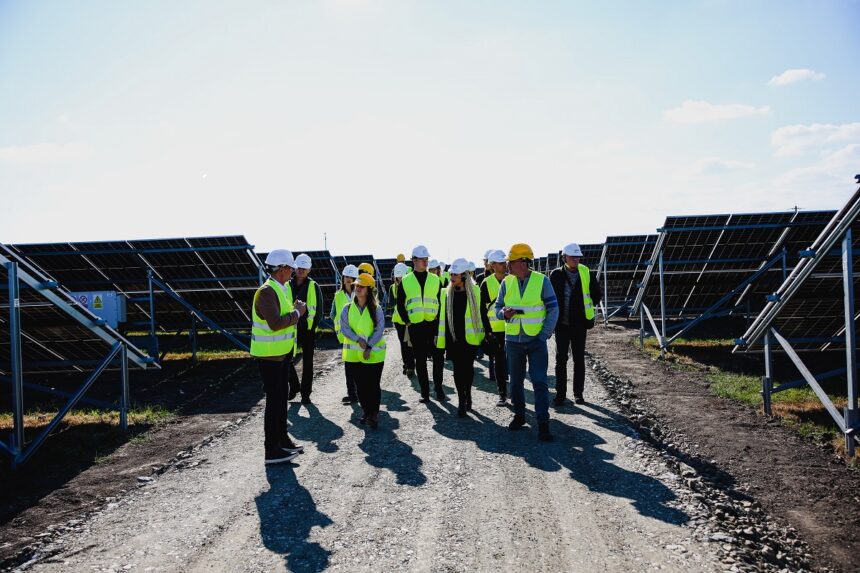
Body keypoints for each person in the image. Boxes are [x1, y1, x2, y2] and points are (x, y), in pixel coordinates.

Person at [495, 243, 559, 442]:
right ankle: (520, 416)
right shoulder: (507, 282)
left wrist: (544, 335)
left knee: (539, 382)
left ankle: (543, 423)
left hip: (536, 340)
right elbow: (497, 308)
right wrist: (503, 314)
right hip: (513, 340)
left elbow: (553, 309)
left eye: (510, 262)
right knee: (515, 382)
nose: (507, 265)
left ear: (522, 262)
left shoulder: (542, 281)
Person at [251, 249, 307, 464]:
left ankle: (282, 440)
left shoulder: (280, 289)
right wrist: (297, 313)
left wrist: (294, 312)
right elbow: (275, 323)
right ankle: (272, 450)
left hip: (281, 355)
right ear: (282, 268)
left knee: (281, 400)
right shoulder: (266, 291)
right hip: (269, 357)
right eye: (291, 268)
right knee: (274, 403)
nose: (293, 272)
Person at [549, 243, 601, 406]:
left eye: (578, 257)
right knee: (561, 359)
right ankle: (561, 394)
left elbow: (596, 295)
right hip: (561, 325)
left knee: (579, 359)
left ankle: (578, 394)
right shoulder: (555, 275)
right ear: (564, 258)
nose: (576, 259)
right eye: (572, 257)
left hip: (579, 324)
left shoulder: (586, 273)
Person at [436, 259, 484, 417]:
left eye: (455, 274)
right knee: (457, 370)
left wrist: (486, 334)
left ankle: (468, 394)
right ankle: (461, 400)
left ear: (464, 276)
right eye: (451, 273)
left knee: (468, 369)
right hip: (453, 337)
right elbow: (440, 316)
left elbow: (482, 313)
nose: (452, 276)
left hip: (469, 338)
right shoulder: (446, 293)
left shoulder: (475, 291)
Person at [397, 245, 444, 403]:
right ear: (414, 260)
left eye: (426, 259)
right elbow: (400, 304)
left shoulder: (436, 279)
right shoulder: (406, 280)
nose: (425, 262)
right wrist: (408, 322)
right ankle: (425, 393)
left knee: (438, 359)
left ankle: (438, 389)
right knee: (421, 361)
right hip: (416, 326)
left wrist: (439, 322)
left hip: (433, 324)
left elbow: (441, 302)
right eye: (422, 259)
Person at [340, 273, 386, 428]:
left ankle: (374, 414)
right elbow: (344, 328)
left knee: (373, 385)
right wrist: (357, 339)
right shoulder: (347, 308)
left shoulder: (376, 309)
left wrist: (369, 346)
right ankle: (366, 411)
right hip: (354, 355)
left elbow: (379, 329)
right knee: (360, 386)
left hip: (374, 354)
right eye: (356, 286)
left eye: (361, 286)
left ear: (369, 289)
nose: (357, 288)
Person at [288, 253, 324, 405]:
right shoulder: (287, 285)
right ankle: (294, 386)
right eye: (299, 267)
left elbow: (319, 310)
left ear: (309, 270)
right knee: (286, 359)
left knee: (307, 363)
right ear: (295, 268)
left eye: (305, 268)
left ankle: (305, 393)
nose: (301, 270)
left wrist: (312, 327)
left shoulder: (313, 286)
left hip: (307, 330)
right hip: (290, 328)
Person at [480, 249, 509, 405]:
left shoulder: (512, 280)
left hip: (512, 327)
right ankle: (502, 394)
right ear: (492, 265)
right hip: (495, 329)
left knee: (513, 362)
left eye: (504, 262)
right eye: (500, 263)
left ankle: (515, 393)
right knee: (499, 361)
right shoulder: (486, 283)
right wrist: (487, 331)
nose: (504, 265)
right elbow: (482, 311)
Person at [332, 264, 360, 404]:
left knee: (360, 366)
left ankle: (360, 392)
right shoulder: (338, 296)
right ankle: (352, 394)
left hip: (360, 335)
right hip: (345, 336)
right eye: (346, 277)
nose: (348, 279)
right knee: (349, 366)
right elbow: (333, 314)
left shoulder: (361, 292)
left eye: (351, 277)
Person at [389, 262, 415, 377]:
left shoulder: (410, 286)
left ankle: (411, 365)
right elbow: (390, 304)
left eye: (401, 277)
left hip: (409, 319)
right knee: (404, 344)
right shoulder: (392, 288)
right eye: (398, 277)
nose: (399, 279)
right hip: (399, 321)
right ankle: (408, 365)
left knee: (411, 344)